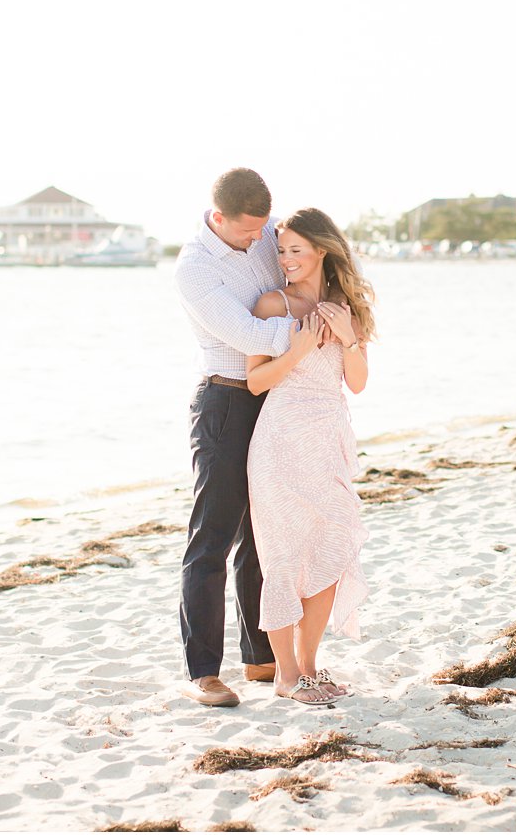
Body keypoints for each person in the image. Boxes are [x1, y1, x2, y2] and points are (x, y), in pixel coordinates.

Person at [172, 168, 310, 708]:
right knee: (213, 539)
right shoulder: (196, 269)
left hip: (275, 396)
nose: (262, 240)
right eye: (249, 231)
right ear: (218, 216)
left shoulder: (268, 229)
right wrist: (315, 329)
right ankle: (203, 670)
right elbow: (251, 334)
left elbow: (310, 263)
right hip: (226, 400)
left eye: (263, 228)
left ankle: (259, 655)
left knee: (264, 534)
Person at [245, 207, 375, 706]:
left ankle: (311, 668)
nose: (287, 259)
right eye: (281, 251)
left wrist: (347, 337)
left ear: (322, 250)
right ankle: (285, 674)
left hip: (328, 441)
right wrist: (297, 351)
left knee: (330, 551)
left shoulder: (345, 306)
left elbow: (358, 383)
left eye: (296, 250)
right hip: (280, 442)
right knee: (282, 558)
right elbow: (256, 382)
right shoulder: (270, 305)